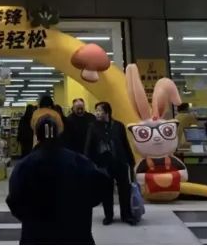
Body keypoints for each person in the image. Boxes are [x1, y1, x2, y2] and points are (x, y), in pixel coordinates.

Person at [7, 115, 108, 244]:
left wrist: (30, 217)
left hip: (36, 235)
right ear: (58, 134)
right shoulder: (79, 161)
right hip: (76, 233)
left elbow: (14, 200)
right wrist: (81, 208)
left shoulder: (24, 165)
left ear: (37, 136)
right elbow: (101, 186)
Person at [85, 101, 136, 225]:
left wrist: (131, 161)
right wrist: (87, 161)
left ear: (107, 112)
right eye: (96, 111)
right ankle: (108, 216)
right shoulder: (93, 127)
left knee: (124, 190)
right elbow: (88, 145)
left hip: (120, 162)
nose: (97, 113)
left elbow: (125, 143)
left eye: (99, 110)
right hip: (104, 164)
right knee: (106, 191)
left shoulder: (118, 126)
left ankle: (126, 215)